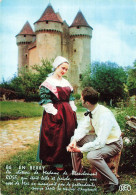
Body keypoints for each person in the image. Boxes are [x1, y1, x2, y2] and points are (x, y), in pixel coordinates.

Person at [67, 87, 123, 193]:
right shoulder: (92, 110)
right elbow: (84, 127)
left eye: (81, 98)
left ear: (87, 102)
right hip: (101, 138)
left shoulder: (104, 115)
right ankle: (78, 172)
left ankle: (114, 182)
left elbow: (101, 142)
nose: (80, 100)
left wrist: (80, 150)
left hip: (113, 143)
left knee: (92, 156)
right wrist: (74, 141)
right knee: (74, 139)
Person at [37, 56, 77, 171]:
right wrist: (54, 112)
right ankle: (57, 164)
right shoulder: (48, 82)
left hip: (67, 112)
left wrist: (73, 109)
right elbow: (46, 100)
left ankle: (68, 162)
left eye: (66, 69)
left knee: (68, 135)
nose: (64, 71)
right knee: (56, 137)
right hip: (55, 112)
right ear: (56, 67)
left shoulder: (66, 82)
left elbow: (71, 98)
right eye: (62, 68)